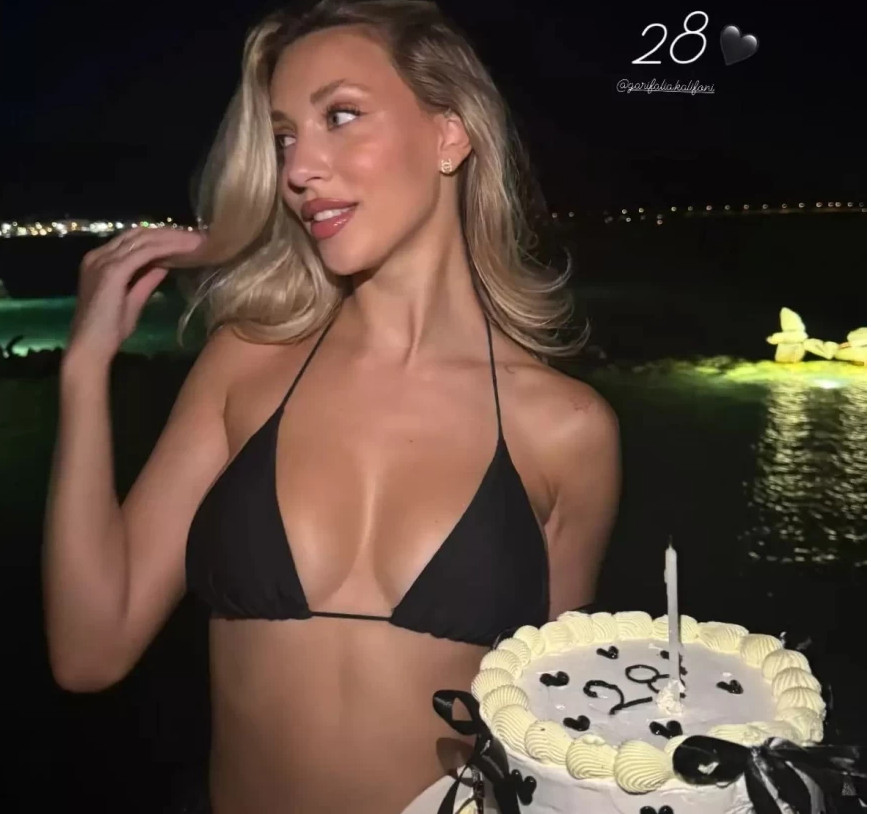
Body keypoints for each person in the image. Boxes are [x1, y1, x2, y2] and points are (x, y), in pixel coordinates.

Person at [42, 1, 621, 812]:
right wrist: (83, 370)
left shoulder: (564, 429)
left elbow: (554, 736)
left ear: (449, 135)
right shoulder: (244, 367)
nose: (298, 169)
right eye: (283, 138)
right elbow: (89, 651)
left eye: (339, 117)